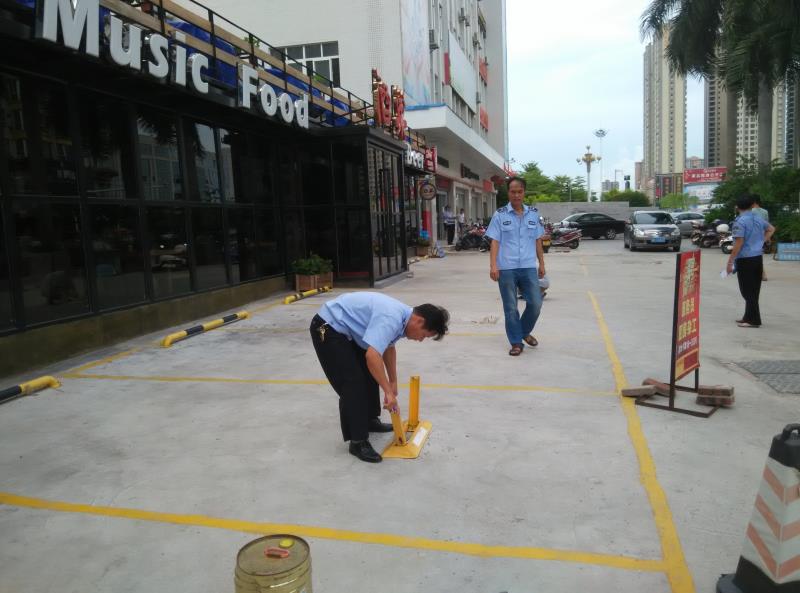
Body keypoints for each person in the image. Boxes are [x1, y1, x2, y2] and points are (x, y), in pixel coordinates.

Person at [310, 292, 449, 463]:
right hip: (328, 327)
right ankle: (358, 441)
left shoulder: (403, 318)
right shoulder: (391, 318)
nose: (421, 340)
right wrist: (388, 392)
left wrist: (393, 381)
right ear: (419, 321)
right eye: (424, 335)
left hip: (346, 331)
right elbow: (372, 356)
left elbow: (388, 347)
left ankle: (369, 420)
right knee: (352, 382)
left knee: (370, 374)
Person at [486, 176, 546, 356]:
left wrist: (542, 263)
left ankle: (523, 331)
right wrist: (493, 265)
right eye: (513, 192)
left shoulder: (533, 214)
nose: (516, 195)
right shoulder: (500, 214)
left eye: (520, 192)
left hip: (528, 266)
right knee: (511, 307)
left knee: (535, 303)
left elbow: (538, 240)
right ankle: (516, 342)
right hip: (506, 267)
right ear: (508, 193)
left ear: (524, 193)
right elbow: (495, 241)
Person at [726, 194, 775, 328]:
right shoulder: (757, 218)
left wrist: (730, 262)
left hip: (745, 259)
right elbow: (771, 229)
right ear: (752, 205)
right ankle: (748, 317)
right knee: (753, 290)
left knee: (747, 290)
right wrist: (761, 241)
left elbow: (738, 243)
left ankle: (754, 320)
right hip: (757, 257)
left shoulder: (740, 222)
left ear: (737, 207)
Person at [752, 196, 770, 280]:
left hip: (752, 236)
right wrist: (768, 237)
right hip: (762, 236)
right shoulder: (765, 211)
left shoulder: (751, 211)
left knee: (753, 255)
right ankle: (761, 274)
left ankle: (762, 274)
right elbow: (767, 225)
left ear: (754, 202)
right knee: (758, 254)